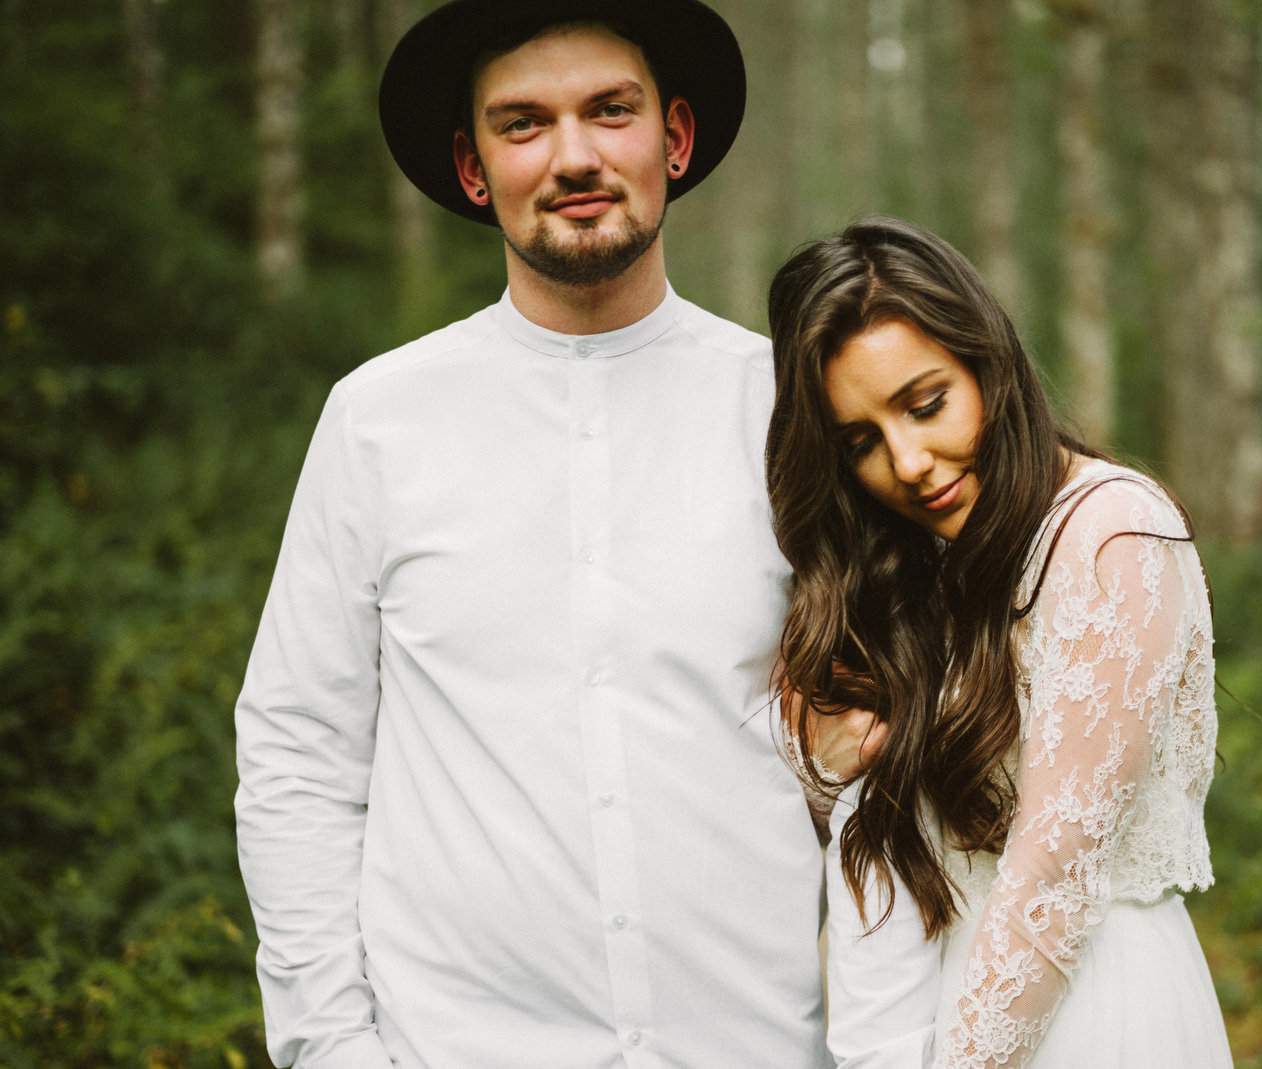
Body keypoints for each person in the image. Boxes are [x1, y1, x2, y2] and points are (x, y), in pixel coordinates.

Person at [233, 3, 828, 1066]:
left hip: (761, 1042)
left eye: (611, 111)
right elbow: (298, 757)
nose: (575, 157)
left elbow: (881, 754)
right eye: (522, 124)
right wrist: (331, 1047)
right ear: (472, 167)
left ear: (674, 139)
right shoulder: (378, 419)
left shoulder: (791, 410)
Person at [767, 217, 1234, 1068]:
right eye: (862, 441)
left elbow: (1053, 876)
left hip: (1091, 1013)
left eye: (926, 403)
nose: (907, 462)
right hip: (943, 1003)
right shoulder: (927, 561)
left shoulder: (1112, 534)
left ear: (989, 360)